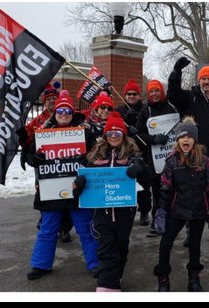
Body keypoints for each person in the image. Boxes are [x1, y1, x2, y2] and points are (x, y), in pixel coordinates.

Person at [23, 90, 98, 281]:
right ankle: (40, 264)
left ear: (72, 113)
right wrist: (36, 159)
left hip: (79, 189)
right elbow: (30, 158)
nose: (64, 114)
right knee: (48, 229)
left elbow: (98, 155)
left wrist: (88, 159)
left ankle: (96, 263)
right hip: (51, 190)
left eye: (67, 111)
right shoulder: (43, 133)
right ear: (55, 113)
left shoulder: (85, 133)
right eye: (60, 111)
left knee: (86, 228)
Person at [76, 111, 150, 293]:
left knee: (121, 246)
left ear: (123, 135)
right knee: (106, 247)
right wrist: (79, 183)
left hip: (125, 211)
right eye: (110, 133)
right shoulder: (95, 156)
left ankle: (114, 275)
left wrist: (139, 169)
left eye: (117, 133)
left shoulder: (133, 153)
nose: (114, 136)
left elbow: (147, 180)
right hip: (102, 212)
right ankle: (107, 286)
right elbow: (85, 181)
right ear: (105, 135)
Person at [166, 58, 209, 248]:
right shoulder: (190, 98)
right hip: (193, 156)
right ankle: (190, 231)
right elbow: (173, 93)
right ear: (199, 80)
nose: (206, 82)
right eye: (203, 79)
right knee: (192, 194)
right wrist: (176, 71)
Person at [153, 119, 209, 292]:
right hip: (177, 210)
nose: (186, 140)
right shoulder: (171, 162)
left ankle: (194, 279)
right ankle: (163, 279)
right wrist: (161, 211)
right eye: (182, 136)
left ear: (195, 140)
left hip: (198, 210)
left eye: (190, 136)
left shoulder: (204, 161)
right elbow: (165, 189)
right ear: (177, 140)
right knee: (165, 244)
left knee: (194, 246)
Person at [136, 79, 178, 236]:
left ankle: (172, 221)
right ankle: (157, 222)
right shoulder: (145, 111)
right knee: (158, 191)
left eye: (157, 91)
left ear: (162, 91)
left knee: (172, 190)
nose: (154, 94)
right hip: (154, 160)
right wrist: (154, 140)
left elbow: (179, 130)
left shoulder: (172, 108)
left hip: (173, 157)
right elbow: (138, 136)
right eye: (151, 91)